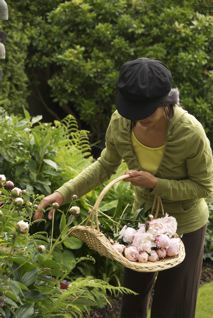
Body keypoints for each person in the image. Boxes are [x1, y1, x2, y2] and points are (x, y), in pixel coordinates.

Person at [34, 58, 213, 318]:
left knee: (172, 309)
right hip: (142, 226)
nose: (138, 120)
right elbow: (104, 165)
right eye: (133, 112)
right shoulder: (120, 122)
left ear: (166, 102)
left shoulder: (190, 133)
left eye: (145, 113)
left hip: (185, 225)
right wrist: (62, 193)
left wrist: (156, 184)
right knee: (131, 303)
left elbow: (204, 187)